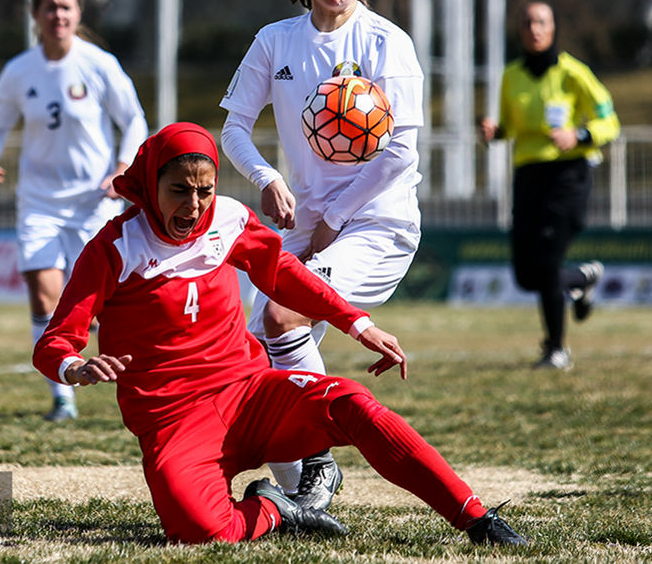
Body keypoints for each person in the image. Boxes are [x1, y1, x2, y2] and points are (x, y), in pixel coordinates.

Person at [32, 123, 526, 546]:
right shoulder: (115, 247)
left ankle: (477, 518)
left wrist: (357, 322)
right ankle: (274, 508)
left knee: (353, 403)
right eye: (180, 190)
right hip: (175, 420)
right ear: (150, 181)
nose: (195, 204)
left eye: (204, 189)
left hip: (250, 396)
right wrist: (75, 366)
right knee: (199, 531)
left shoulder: (227, 218)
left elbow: (283, 273)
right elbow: (54, 341)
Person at [219, 0, 423, 507]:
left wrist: (335, 217)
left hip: (376, 221)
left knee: (283, 316)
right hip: (305, 220)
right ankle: (303, 497)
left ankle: (317, 461)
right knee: (249, 353)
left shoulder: (387, 42)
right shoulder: (275, 40)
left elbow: (401, 150)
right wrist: (266, 176)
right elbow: (234, 128)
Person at [0, 0, 149, 421]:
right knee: (43, 295)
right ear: (36, 16)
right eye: (50, 8)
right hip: (39, 201)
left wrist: (122, 168)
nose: (59, 15)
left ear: (78, 15)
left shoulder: (99, 64)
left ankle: (140, 384)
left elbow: (133, 119)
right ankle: (62, 397)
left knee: (107, 302)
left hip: (93, 202)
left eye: (67, 8)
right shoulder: (19, 70)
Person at [478, 0, 620, 370]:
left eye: (541, 22)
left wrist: (581, 133)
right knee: (527, 275)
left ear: (553, 28)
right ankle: (582, 278)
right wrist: (495, 132)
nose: (534, 29)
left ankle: (556, 349)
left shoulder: (574, 73)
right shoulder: (511, 75)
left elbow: (610, 122)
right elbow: (510, 127)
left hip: (567, 176)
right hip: (528, 178)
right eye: (527, 22)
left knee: (546, 262)